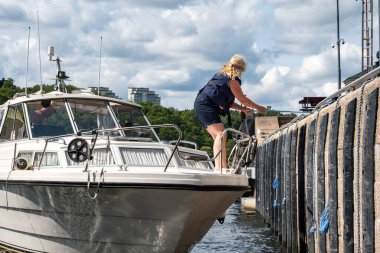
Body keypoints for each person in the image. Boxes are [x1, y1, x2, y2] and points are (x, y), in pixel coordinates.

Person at [194, 54, 267, 173]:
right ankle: (219, 169)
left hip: (202, 104)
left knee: (221, 136)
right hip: (205, 105)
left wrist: (243, 109)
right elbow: (242, 99)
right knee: (220, 134)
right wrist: (259, 108)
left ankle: (224, 168)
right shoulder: (232, 80)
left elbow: (229, 103)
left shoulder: (223, 76)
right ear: (241, 69)